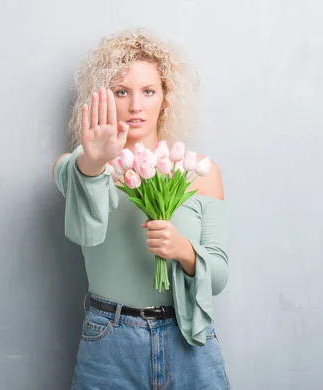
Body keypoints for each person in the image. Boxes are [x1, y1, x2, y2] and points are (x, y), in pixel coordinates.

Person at [53, 28, 230, 389]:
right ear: (103, 97)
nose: (136, 106)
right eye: (122, 92)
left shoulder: (201, 172)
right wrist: (92, 164)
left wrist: (184, 251)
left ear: (165, 98)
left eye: (148, 91)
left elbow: (219, 277)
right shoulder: (81, 167)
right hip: (110, 342)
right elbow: (85, 232)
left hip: (188, 336)